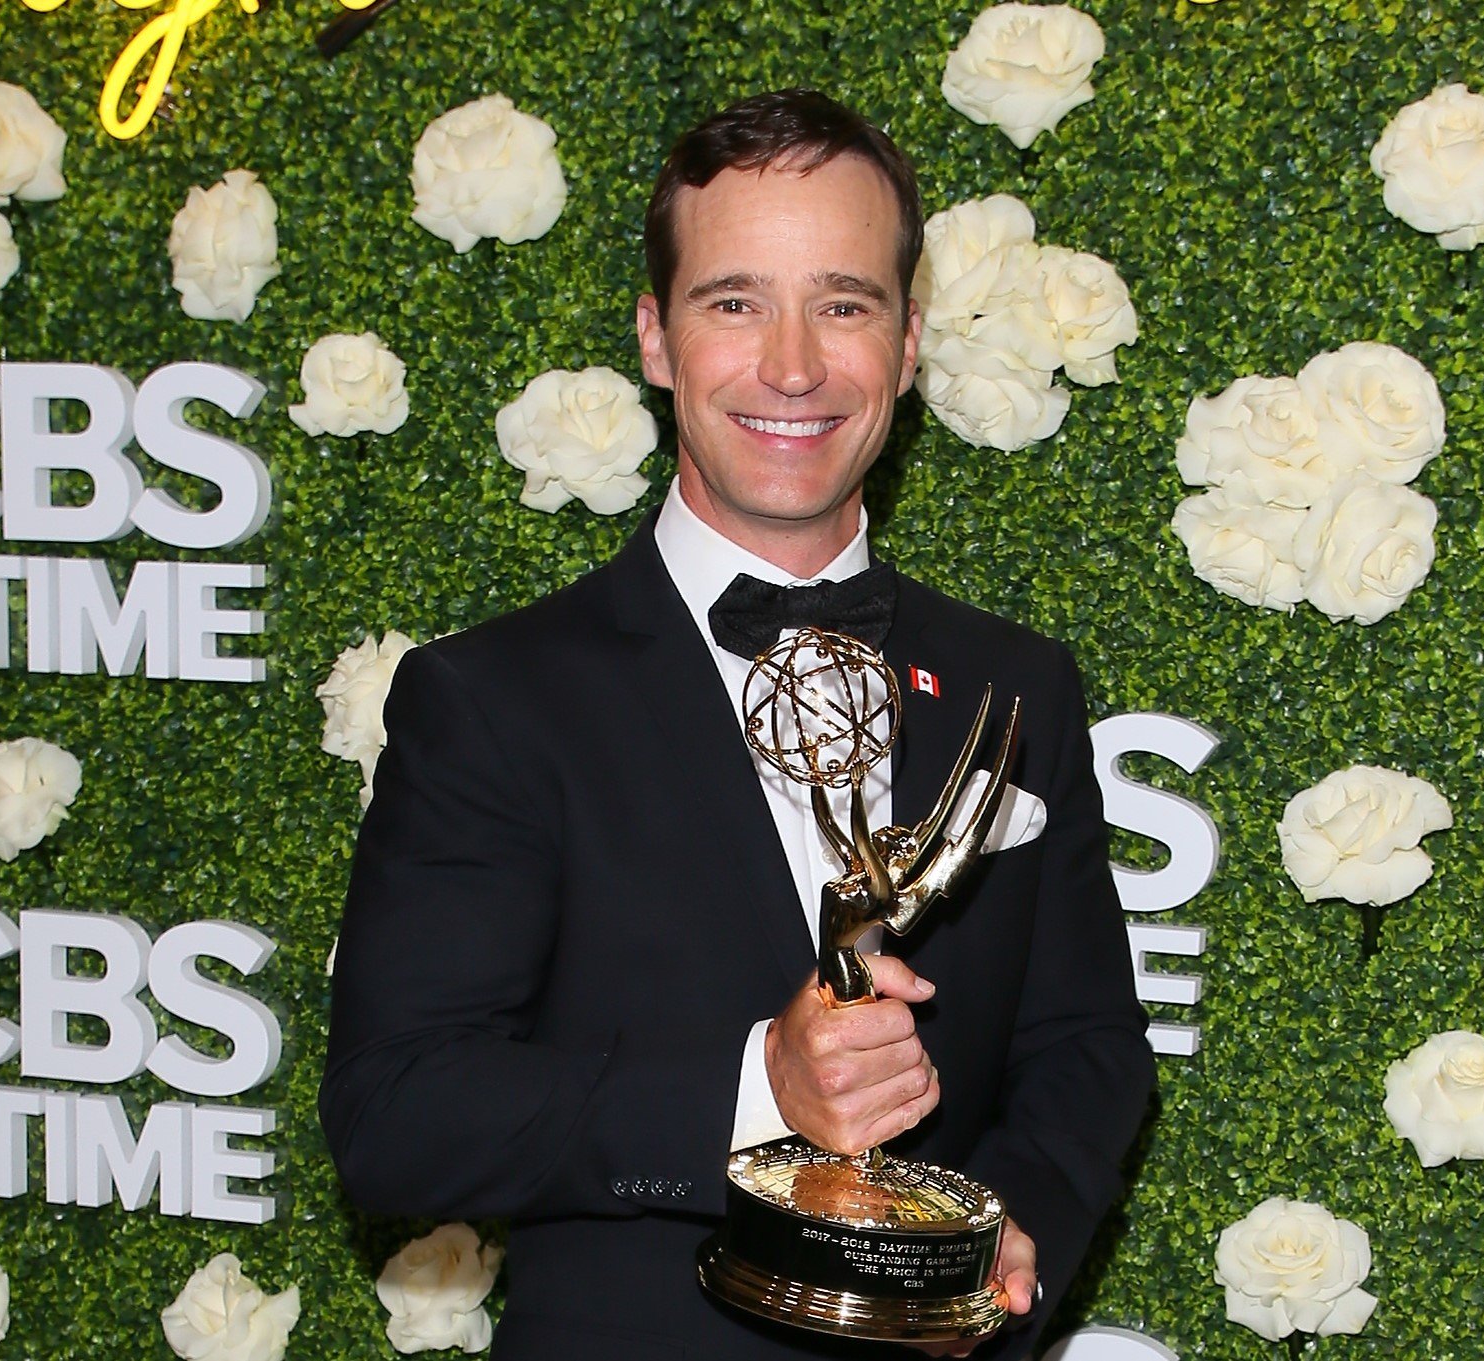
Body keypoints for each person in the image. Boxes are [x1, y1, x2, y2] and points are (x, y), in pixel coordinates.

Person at [320, 89, 1156, 1361]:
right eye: (733, 302)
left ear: (908, 339)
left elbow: (1085, 1046)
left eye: (842, 302)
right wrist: (762, 1081)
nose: (791, 364)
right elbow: (397, 1114)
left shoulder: (1018, 682)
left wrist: (1008, 1232)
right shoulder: (492, 700)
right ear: (655, 339)